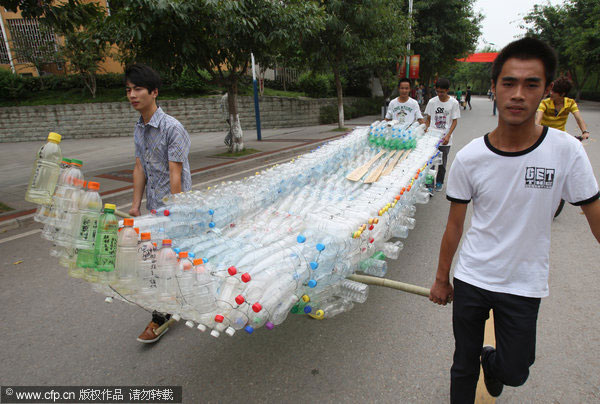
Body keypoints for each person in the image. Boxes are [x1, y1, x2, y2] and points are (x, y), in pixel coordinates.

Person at [429, 37, 600, 403]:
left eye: (531, 84)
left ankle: (493, 364)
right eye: (508, 83)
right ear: (493, 88)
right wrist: (442, 279)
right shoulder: (471, 157)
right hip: (473, 276)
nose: (518, 94)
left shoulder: (565, 151)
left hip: (523, 283)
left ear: (547, 90)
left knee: (515, 371)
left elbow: (594, 215)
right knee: (462, 365)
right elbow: (454, 226)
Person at [124, 63, 192, 343]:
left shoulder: (172, 128)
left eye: (138, 89)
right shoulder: (139, 128)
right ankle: (172, 305)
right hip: (154, 207)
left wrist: (174, 213)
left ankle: (160, 316)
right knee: (162, 260)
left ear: (154, 92)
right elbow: (140, 167)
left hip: (175, 207)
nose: (132, 95)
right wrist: (135, 204)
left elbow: (176, 173)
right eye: (128, 90)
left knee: (163, 261)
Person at [424, 78, 461, 192]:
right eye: (437, 91)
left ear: (447, 90)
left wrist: (448, 135)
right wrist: (426, 132)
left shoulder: (454, 103)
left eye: (442, 92)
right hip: (432, 139)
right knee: (430, 163)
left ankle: (439, 182)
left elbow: (454, 121)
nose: (439, 94)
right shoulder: (432, 102)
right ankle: (429, 185)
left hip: (445, 139)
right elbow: (428, 119)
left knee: (442, 163)